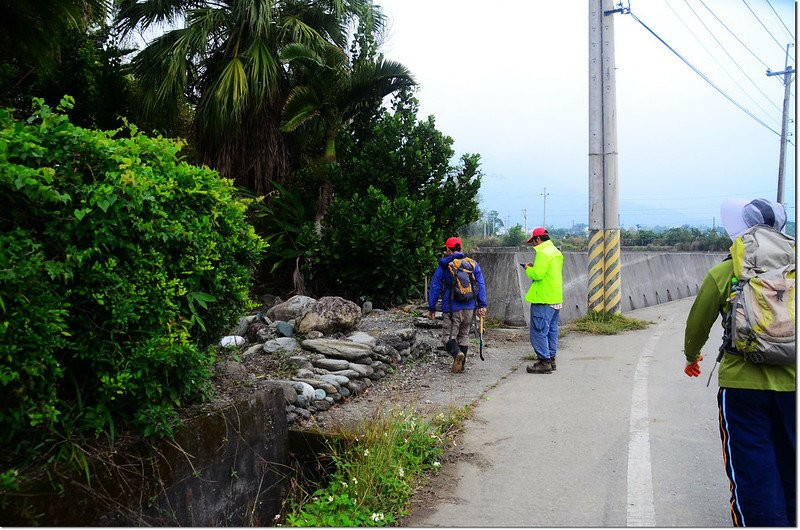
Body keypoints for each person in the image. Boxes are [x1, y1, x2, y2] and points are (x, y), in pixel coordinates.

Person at [683, 197, 795, 527]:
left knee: (751, 467)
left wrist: (692, 357)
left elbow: (697, 324)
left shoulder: (727, 270)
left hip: (742, 387)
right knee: (792, 462)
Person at [428, 237, 487, 373]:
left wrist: (432, 307)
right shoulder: (472, 264)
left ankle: (456, 355)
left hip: (452, 307)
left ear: (448, 249)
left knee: (448, 337)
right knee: (464, 335)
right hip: (470, 306)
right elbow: (480, 284)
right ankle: (462, 365)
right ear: (460, 248)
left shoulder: (445, 265)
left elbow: (436, 286)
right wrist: (482, 304)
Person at [522, 227, 564, 374]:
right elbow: (548, 272)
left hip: (543, 298)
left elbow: (538, 275)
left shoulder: (542, 253)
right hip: (555, 297)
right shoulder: (556, 252)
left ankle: (543, 362)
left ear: (538, 239)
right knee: (552, 330)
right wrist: (536, 267)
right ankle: (551, 359)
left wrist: (528, 268)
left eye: (533, 242)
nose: (534, 245)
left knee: (539, 330)